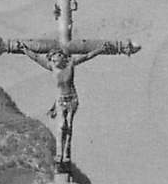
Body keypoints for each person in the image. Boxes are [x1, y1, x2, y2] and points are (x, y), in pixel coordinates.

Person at [18, 43, 106, 171]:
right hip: (60, 101)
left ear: (61, 56)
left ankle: (65, 153)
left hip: (72, 99)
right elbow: (36, 58)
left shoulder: (71, 64)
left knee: (69, 126)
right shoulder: (51, 67)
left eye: (56, 57)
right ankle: (59, 154)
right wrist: (25, 50)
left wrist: (100, 49)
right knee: (61, 126)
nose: (54, 60)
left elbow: (87, 56)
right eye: (52, 59)